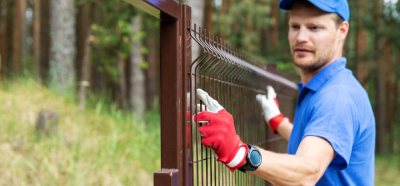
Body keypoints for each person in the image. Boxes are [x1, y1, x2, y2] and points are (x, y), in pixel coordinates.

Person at [192, 0, 376, 185]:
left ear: (342, 31)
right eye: (295, 26)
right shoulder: (323, 88)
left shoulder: (337, 97)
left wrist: (239, 152)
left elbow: (308, 173)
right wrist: (278, 121)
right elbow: (316, 139)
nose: (301, 37)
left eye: (314, 28)